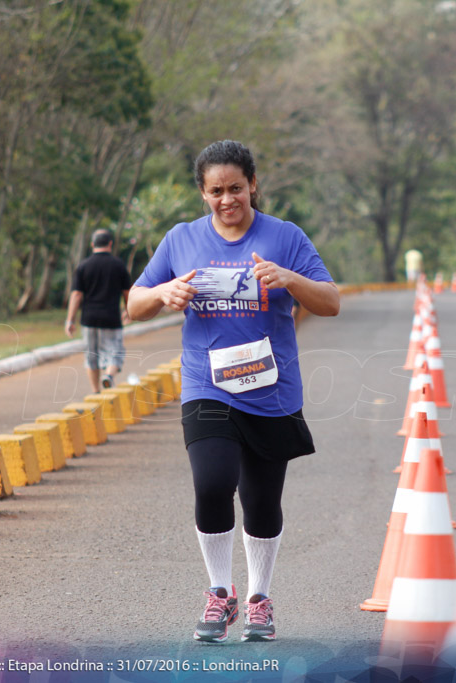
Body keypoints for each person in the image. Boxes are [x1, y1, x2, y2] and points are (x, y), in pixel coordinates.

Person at [128, 140, 340, 643]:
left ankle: (260, 598)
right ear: (203, 194)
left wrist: (289, 278)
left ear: (253, 186)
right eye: (217, 191)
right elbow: (135, 302)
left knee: (262, 502)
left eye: (236, 188)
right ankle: (219, 592)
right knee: (213, 482)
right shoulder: (181, 239)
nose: (228, 200)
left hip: (271, 389)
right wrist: (162, 293)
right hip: (208, 386)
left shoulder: (285, 237)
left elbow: (330, 300)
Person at [65, 229, 132, 392]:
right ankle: (108, 376)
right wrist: (128, 311)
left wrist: (70, 320)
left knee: (91, 356)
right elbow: (127, 293)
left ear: (92, 244)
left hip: (89, 319)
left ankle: (96, 391)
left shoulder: (83, 266)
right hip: (111, 318)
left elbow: (76, 295)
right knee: (115, 352)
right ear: (110, 244)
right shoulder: (118, 265)